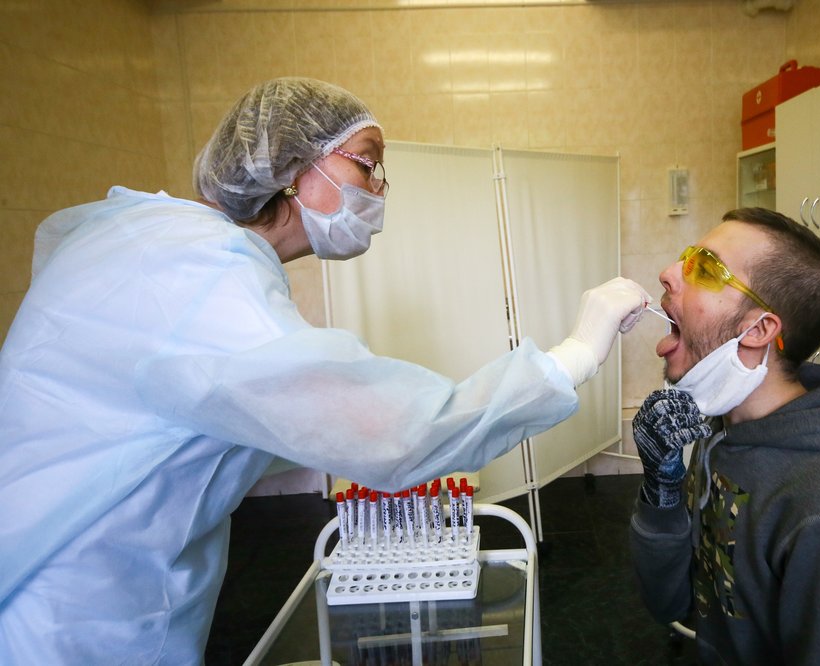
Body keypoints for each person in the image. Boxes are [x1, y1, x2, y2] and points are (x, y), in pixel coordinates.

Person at [0, 77, 649, 663]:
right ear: (288, 165)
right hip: (79, 617)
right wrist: (576, 353)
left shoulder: (158, 240)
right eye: (366, 163)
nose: (379, 190)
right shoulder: (197, 277)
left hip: (77, 575)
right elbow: (393, 432)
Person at [628, 208, 820, 665]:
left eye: (705, 269)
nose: (668, 273)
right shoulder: (723, 429)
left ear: (759, 330)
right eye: (687, 259)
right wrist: (662, 489)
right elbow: (671, 603)